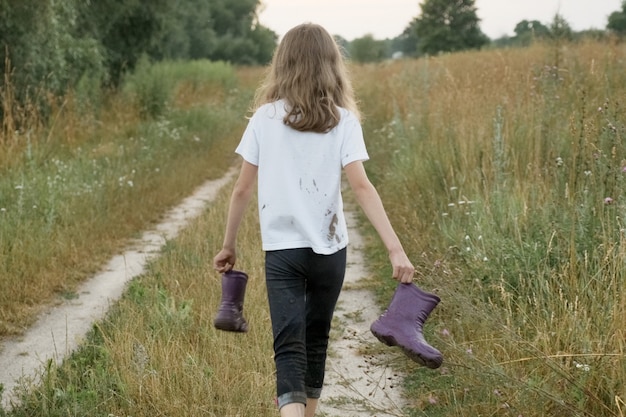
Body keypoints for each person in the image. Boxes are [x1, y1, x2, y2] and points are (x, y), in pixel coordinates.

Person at [213, 23, 415, 417]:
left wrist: (228, 245)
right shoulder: (342, 120)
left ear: (282, 64)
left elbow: (241, 190)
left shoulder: (263, 119)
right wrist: (396, 250)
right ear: (331, 66)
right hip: (329, 251)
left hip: (283, 252)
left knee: (289, 347)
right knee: (317, 339)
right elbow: (362, 187)